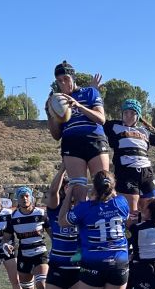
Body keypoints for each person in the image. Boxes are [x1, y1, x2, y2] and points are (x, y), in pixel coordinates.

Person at [47, 61, 110, 210]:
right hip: (71, 143)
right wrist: (50, 114)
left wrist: (79, 106)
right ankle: (84, 227)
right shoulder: (57, 100)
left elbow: (101, 119)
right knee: (77, 188)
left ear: (73, 78)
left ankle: (104, 221)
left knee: (103, 185)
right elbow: (56, 135)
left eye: (66, 79)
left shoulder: (90, 92)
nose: (63, 83)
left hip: (94, 140)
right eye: (59, 81)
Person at [105, 99, 155, 215]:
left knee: (153, 213)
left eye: (132, 113)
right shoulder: (113, 126)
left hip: (147, 173)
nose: (128, 116)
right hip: (126, 172)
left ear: (138, 116)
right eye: (125, 113)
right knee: (131, 214)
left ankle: (149, 232)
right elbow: (97, 118)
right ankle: (132, 233)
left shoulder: (145, 131)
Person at [5, 185, 47, 289]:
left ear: (31, 197)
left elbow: (52, 232)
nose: (24, 198)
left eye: (27, 195)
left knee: (42, 284)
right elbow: (6, 237)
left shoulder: (40, 213)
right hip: (24, 255)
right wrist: (7, 245)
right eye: (21, 196)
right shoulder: (13, 217)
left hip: (40, 252)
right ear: (18, 199)